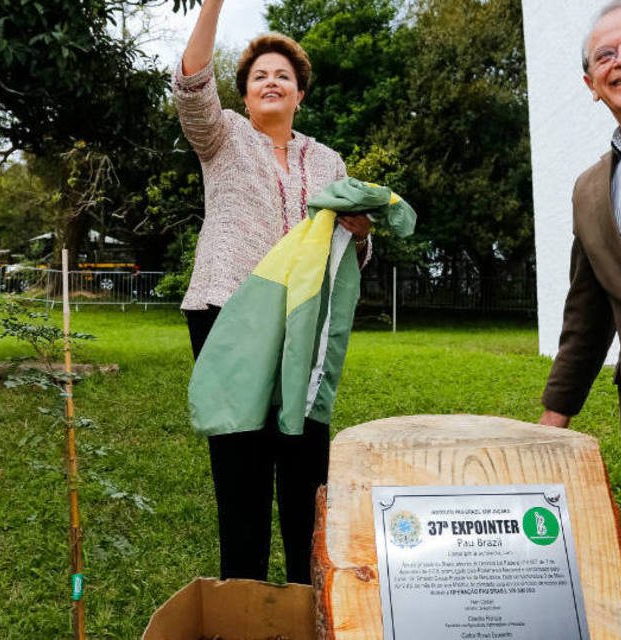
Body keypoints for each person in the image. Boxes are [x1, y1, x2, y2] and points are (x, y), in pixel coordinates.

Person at [174, 0, 373, 585]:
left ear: (299, 93)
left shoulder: (329, 160)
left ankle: (310, 595)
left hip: (304, 324)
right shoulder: (224, 139)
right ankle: (244, 597)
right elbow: (190, 84)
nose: (271, 81)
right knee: (242, 468)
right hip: (229, 314)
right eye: (259, 75)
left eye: (282, 75)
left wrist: (360, 238)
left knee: (306, 462)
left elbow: (346, 252)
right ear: (243, 95)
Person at [540, 1, 621, 635]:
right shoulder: (589, 189)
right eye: (605, 56)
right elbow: (588, 314)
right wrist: (552, 420)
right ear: (590, 85)